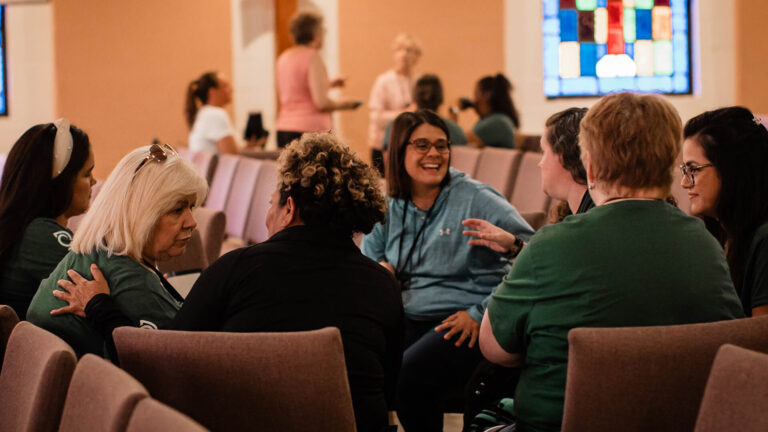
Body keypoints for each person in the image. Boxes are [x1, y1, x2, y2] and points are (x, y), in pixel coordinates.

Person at [46, 133, 403, 432]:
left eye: (270, 203)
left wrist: (100, 308)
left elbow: (166, 363)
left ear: (289, 209)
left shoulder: (236, 269)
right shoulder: (383, 286)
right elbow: (389, 393)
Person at [480, 93, 744, 432]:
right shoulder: (705, 244)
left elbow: (495, 347)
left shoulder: (552, 245)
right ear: (669, 164)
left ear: (590, 167)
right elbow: (726, 345)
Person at [361, 109, 534, 431]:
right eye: (422, 145)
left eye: (441, 146)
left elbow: (535, 255)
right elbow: (368, 265)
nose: (434, 154)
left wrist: (481, 313)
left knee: (406, 377)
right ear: (399, 152)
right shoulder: (388, 202)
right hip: (410, 315)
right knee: (362, 367)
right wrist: (381, 273)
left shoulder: (476, 198)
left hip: (463, 320)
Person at [27, 142, 208, 357]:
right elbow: (179, 364)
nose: (192, 222)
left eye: (191, 207)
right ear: (140, 214)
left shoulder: (100, 250)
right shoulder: (132, 280)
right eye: (177, 210)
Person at [0, 119, 95, 320]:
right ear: (61, 182)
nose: (94, 182)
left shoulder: (25, 228)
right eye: (87, 174)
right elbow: (108, 289)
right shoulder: (39, 235)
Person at [682, 107, 768, 317]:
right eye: (684, 170)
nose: (684, 183)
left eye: (693, 170)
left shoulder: (764, 240)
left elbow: (758, 340)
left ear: (731, 169)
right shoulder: (718, 237)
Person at [275, 10, 360, 148]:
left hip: (284, 128)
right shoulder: (313, 57)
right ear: (316, 36)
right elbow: (321, 103)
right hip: (309, 131)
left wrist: (329, 84)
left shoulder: (283, 58)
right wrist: (349, 104)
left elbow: (297, 88)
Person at [369, 33, 422, 173]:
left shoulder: (419, 82)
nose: (403, 54)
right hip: (383, 145)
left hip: (409, 147)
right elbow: (375, 117)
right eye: (399, 50)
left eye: (409, 50)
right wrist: (403, 114)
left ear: (417, 56)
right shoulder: (384, 81)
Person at [381, 74, 467, 152]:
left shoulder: (395, 126)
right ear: (441, 99)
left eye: (440, 147)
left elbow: (388, 162)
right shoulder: (456, 131)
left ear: (414, 98)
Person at [185, 71, 263, 154]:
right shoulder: (215, 115)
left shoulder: (204, 112)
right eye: (225, 86)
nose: (232, 89)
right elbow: (231, 156)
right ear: (212, 91)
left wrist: (249, 147)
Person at [450, 74, 520, 149]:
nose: (473, 100)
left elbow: (459, 143)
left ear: (487, 96)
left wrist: (453, 122)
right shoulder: (489, 120)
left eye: (476, 94)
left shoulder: (498, 122)